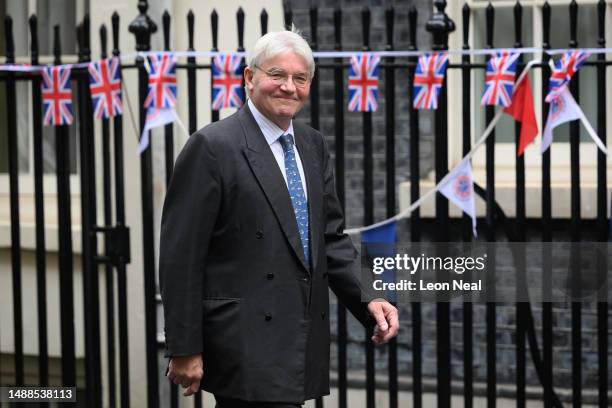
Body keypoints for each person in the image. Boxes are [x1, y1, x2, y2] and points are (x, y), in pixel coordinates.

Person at [159, 29, 399, 408]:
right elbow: (180, 257)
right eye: (277, 75)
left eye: (299, 78)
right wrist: (185, 347)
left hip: (300, 338)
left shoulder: (312, 145)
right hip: (245, 344)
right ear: (250, 78)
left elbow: (330, 238)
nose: (289, 87)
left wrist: (368, 297)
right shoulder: (212, 147)